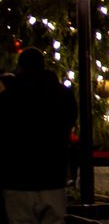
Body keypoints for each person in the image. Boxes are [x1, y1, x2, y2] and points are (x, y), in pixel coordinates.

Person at [0, 47, 76, 223]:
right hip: (53, 176)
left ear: (21, 67)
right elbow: (68, 125)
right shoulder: (63, 95)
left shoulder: (8, 98)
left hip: (18, 179)